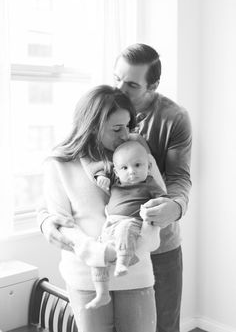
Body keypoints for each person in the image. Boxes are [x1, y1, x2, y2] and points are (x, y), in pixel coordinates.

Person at [39, 43, 192, 332]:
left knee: (165, 325)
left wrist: (175, 206)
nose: (120, 87)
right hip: (92, 267)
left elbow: (177, 178)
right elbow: (61, 202)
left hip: (152, 242)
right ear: (95, 124)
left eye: (131, 84)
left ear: (152, 86)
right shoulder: (78, 151)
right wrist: (46, 219)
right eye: (116, 78)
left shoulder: (171, 120)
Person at [42, 85, 162, 332]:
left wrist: (136, 249)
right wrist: (98, 253)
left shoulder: (139, 155)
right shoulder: (60, 164)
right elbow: (62, 222)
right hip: (86, 276)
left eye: (129, 127)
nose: (125, 135)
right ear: (92, 125)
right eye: (117, 128)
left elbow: (160, 208)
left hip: (134, 269)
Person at [84, 140, 166, 309]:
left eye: (137, 165)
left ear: (148, 166)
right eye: (125, 168)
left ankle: (123, 260)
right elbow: (94, 167)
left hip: (133, 223)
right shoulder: (115, 179)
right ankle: (102, 293)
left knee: (125, 228)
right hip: (110, 224)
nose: (132, 172)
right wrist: (101, 177)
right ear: (116, 171)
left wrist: (157, 209)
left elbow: (164, 201)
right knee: (98, 255)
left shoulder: (149, 183)